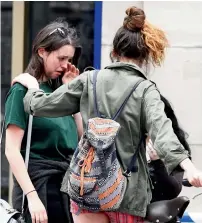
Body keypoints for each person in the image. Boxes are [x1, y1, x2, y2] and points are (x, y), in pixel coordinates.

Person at [12, 6, 202, 223]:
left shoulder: (89, 80)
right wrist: (189, 167)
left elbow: (39, 106)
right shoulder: (146, 90)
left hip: (88, 190)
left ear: (114, 52)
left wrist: (31, 86)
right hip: (127, 195)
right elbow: (164, 135)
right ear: (147, 55)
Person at [5, 18, 83, 223]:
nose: (66, 65)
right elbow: (11, 150)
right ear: (42, 52)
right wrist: (31, 196)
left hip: (68, 187)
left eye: (70, 59)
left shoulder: (60, 91)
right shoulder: (22, 90)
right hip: (40, 188)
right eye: (61, 58)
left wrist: (71, 93)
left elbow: (82, 136)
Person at [146, 95, 192, 202]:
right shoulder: (125, 142)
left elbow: (173, 190)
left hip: (157, 212)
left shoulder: (173, 144)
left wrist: (157, 163)